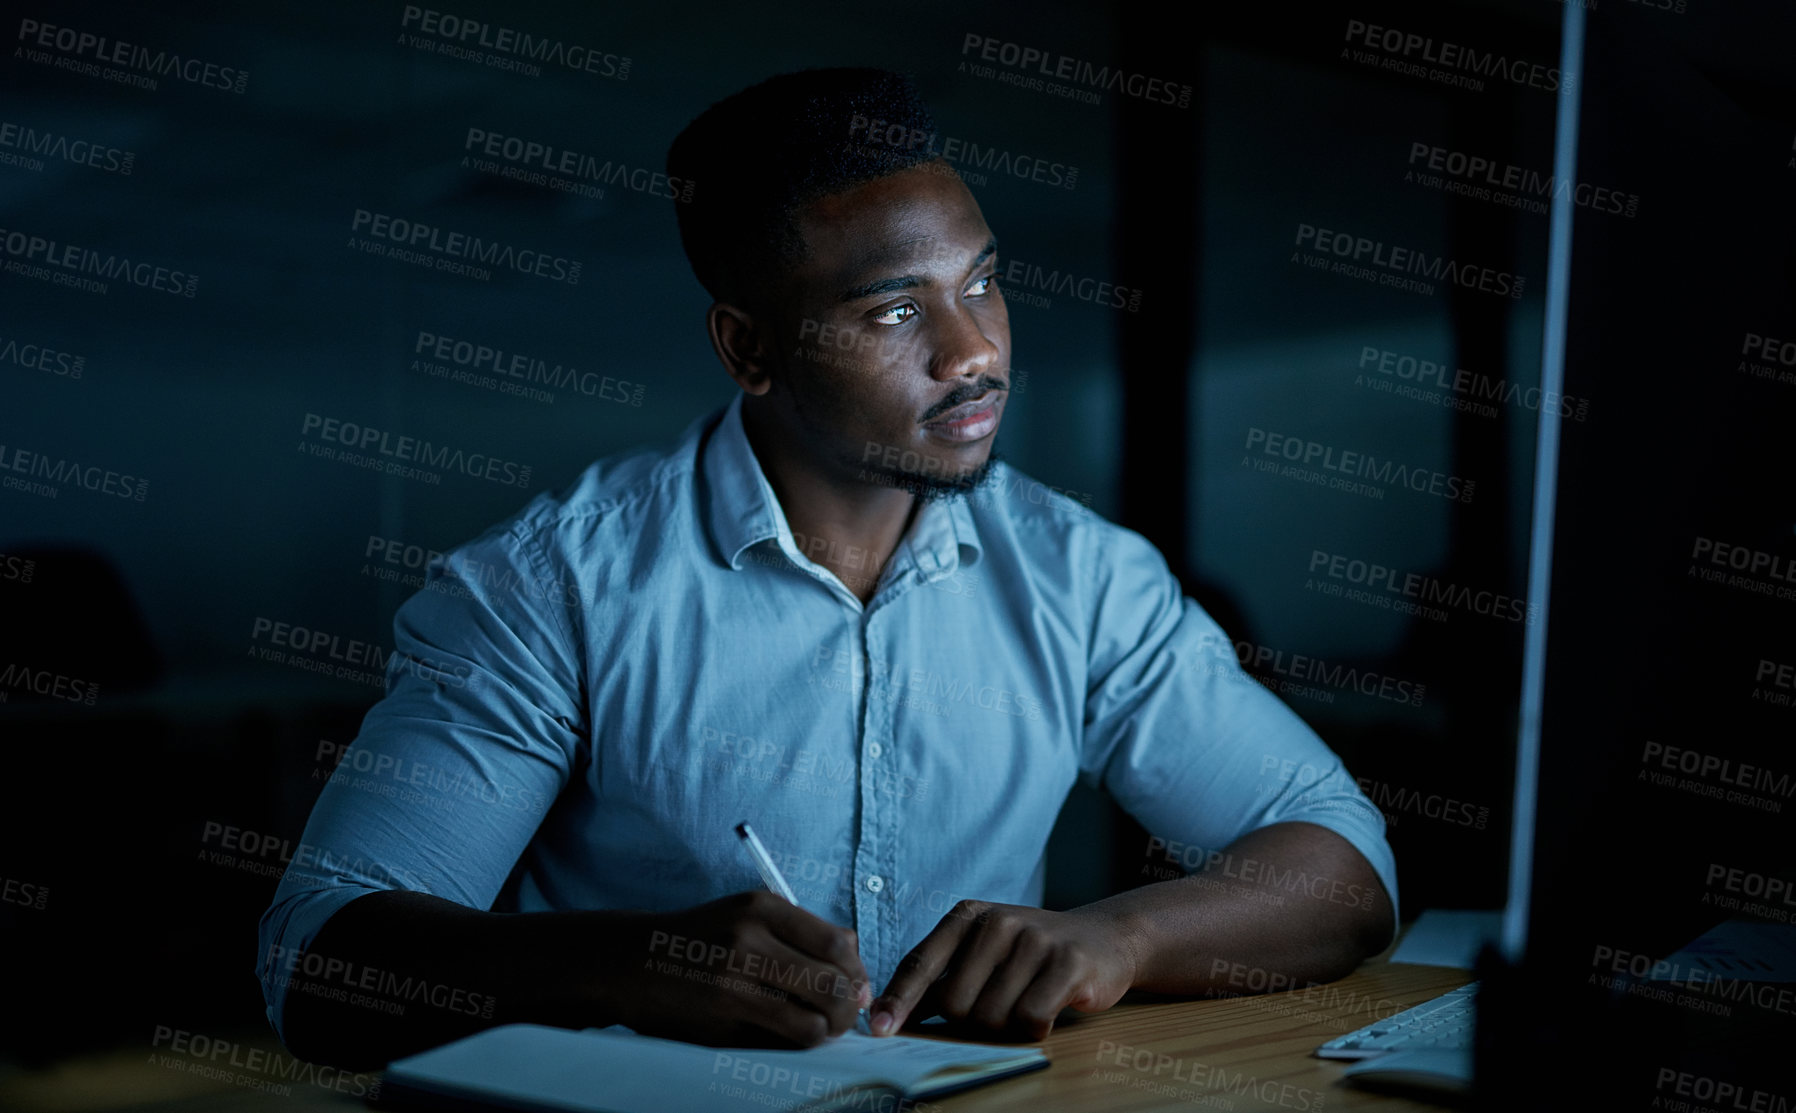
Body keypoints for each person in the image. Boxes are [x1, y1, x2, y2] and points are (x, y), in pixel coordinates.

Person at [257, 67, 1397, 1070]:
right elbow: (319, 955)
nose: (974, 350)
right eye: (898, 309)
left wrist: (1123, 935)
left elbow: (1344, 866)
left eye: (981, 282)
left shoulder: (1082, 577)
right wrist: (617, 962)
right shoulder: (547, 589)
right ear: (750, 349)